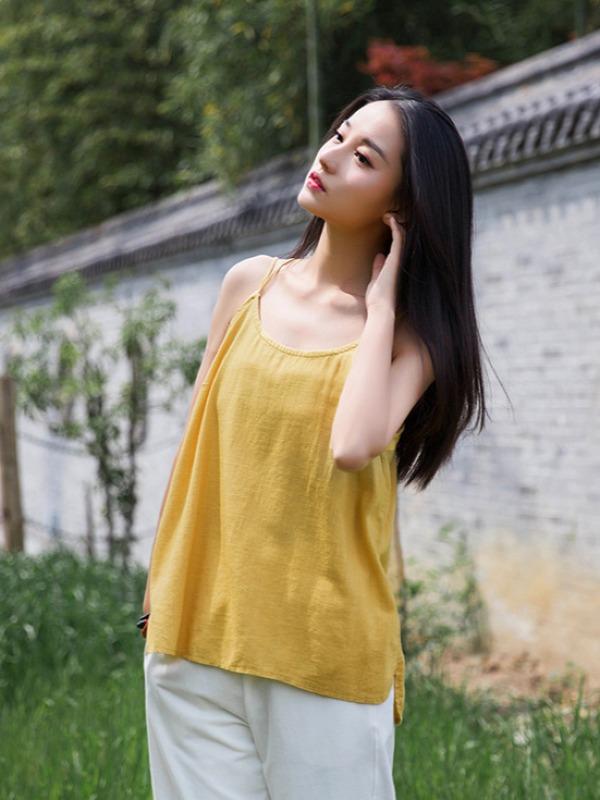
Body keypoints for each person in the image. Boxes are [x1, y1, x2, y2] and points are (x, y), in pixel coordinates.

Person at [140, 83, 487, 799]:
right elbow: (194, 446)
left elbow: (353, 445)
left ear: (404, 205)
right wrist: (159, 592)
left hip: (323, 658)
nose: (330, 156)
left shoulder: (413, 342)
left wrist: (381, 305)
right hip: (195, 638)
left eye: (364, 156)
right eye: (339, 135)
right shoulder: (247, 285)